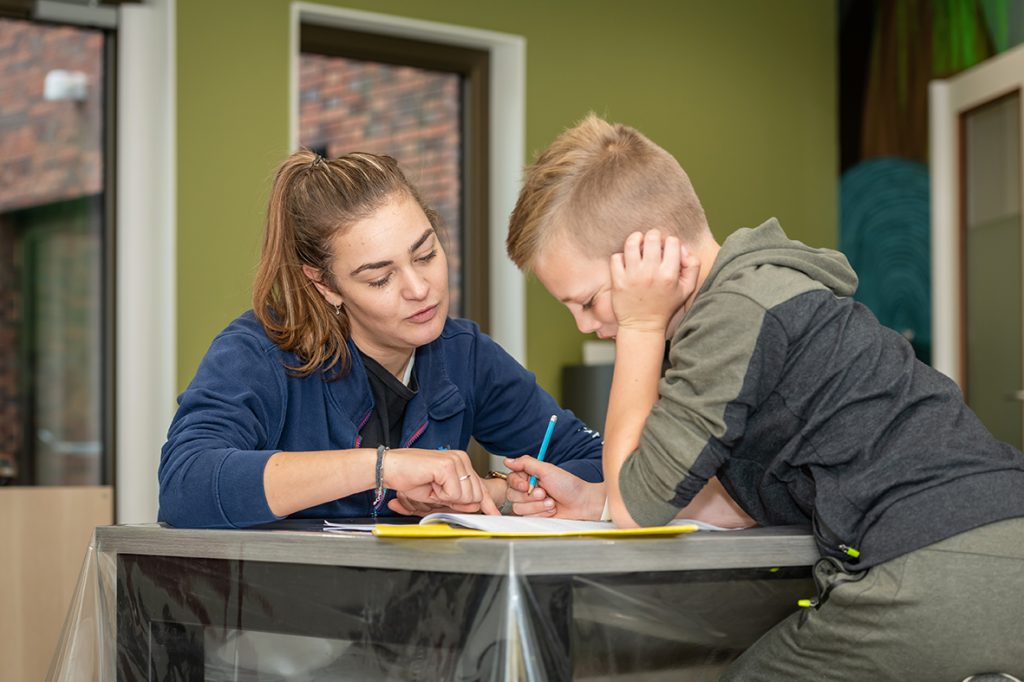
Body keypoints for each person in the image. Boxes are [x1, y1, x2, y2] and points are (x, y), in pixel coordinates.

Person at [502, 114, 1024, 679]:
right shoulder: (753, 299)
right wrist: (595, 501)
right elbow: (740, 502)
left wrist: (639, 328)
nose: (583, 324)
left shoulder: (734, 314)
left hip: (934, 563)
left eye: (588, 300)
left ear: (645, 261)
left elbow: (637, 509)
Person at [158, 149, 614, 528]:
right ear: (325, 285)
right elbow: (185, 485)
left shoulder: (462, 355)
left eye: (426, 254)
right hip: (274, 623)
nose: (419, 289)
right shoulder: (259, 352)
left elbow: (591, 463)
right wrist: (383, 466)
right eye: (379, 278)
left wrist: (490, 492)